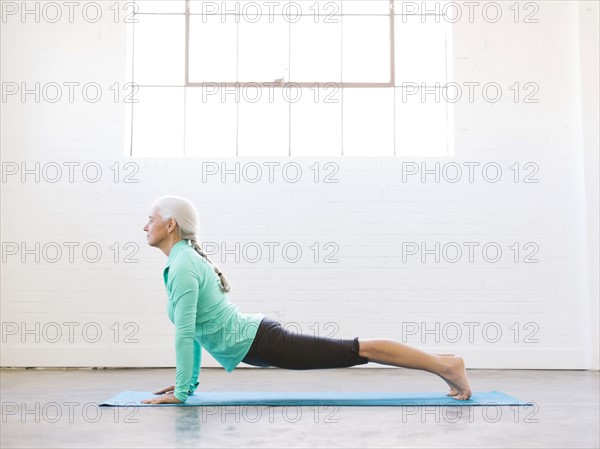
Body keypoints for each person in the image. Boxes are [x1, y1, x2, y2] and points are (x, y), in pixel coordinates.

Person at [141, 195, 471, 404]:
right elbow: (196, 331)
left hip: (262, 342)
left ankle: (446, 364)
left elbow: (185, 332)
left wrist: (183, 392)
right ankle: (443, 361)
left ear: (170, 225)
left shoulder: (183, 264)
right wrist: (188, 384)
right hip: (258, 340)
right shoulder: (181, 261)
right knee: (353, 350)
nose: (145, 226)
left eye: (151, 219)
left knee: (356, 350)